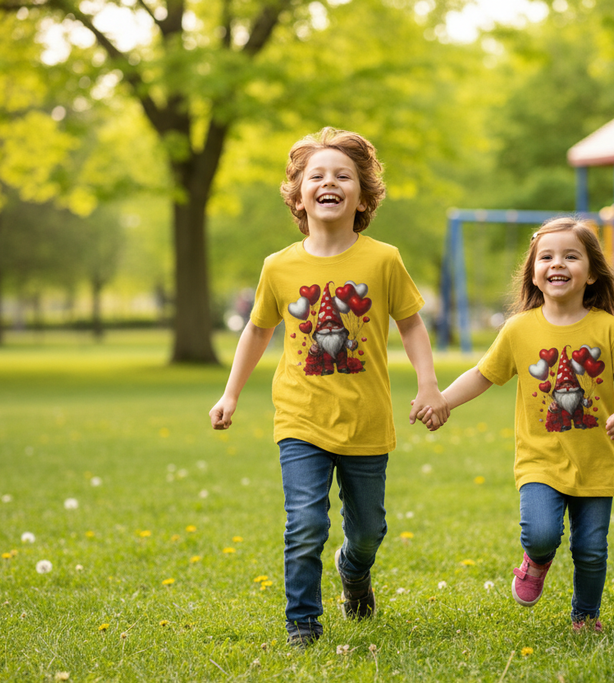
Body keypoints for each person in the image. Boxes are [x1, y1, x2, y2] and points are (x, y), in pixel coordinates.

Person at [209, 127, 449, 648]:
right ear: (298, 194)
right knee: (304, 526)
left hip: (366, 418)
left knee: (368, 532)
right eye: (316, 175)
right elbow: (257, 329)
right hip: (301, 417)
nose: (329, 182)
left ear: (363, 195)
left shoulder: (383, 259)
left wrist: (429, 385)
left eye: (343, 175)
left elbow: (410, 324)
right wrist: (230, 394)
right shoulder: (279, 266)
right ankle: (303, 622)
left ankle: (353, 571)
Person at [425, 216, 614, 633]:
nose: (557, 263)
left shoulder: (607, 328)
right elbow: (482, 374)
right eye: (546, 256)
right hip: (539, 459)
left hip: (595, 460)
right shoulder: (519, 329)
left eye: (570, 256)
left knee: (592, 549)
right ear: (533, 271)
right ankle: (536, 560)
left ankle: (585, 617)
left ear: (592, 271)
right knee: (541, 533)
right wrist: (443, 401)